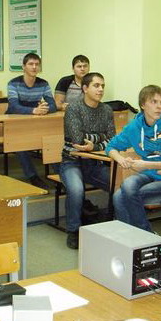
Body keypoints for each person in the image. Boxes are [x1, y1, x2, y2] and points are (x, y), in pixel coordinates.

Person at [105, 85, 161, 232]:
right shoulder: (135, 127)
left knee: (124, 196)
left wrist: (147, 165)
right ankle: (132, 238)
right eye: (154, 102)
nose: (159, 106)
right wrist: (121, 159)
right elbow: (111, 147)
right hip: (150, 175)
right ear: (142, 105)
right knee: (122, 192)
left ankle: (146, 236)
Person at [60, 72, 115, 249]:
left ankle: (116, 223)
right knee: (76, 190)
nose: (100, 90)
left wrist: (95, 145)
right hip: (72, 161)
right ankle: (73, 231)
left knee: (119, 184)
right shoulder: (73, 108)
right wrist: (101, 138)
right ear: (85, 88)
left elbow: (112, 139)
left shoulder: (106, 110)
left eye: (102, 86)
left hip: (95, 163)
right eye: (96, 86)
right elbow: (78, 139)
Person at [6, 53, 57, 189]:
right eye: (30, 64)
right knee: (21, 144)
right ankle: (33, 176)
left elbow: (53, 105)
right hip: (15, 124)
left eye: (37, 64)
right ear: (23, 67)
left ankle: (59, 175)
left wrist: (45, 109)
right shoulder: (13, 83)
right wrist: (34, 110)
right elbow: (14, 106)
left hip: (34, 122)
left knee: (52, 140)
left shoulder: (43, 83)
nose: (34, 67)